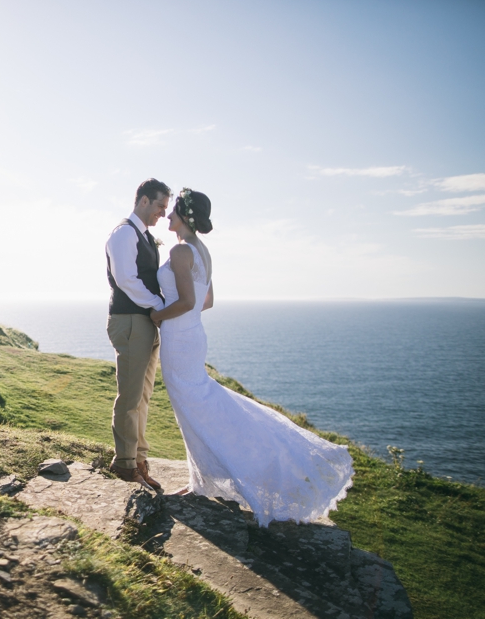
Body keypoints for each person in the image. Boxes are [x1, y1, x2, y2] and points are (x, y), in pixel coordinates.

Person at [151, 188, 354, 526]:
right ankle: (201, 481)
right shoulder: (203, 251)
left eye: (172, 211)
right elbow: (207, 301)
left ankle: (220, 475)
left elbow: (188, 302)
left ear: (185, 216)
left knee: (194, 408)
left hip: (179, 341)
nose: (168, 216)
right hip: (191, 336)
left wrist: (155, 316)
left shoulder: (181, 250)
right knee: (197, 407)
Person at [105, 178, 172, 488]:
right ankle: (124, 464)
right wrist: (159, 305)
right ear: (143, 201)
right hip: (130, 320)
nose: (162, 213)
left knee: (143, 397)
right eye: (160, 206)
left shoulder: (144, 236)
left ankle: (139, 459)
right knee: (130, 397)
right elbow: (127, 280)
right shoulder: (123, 234)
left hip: (145, 322)